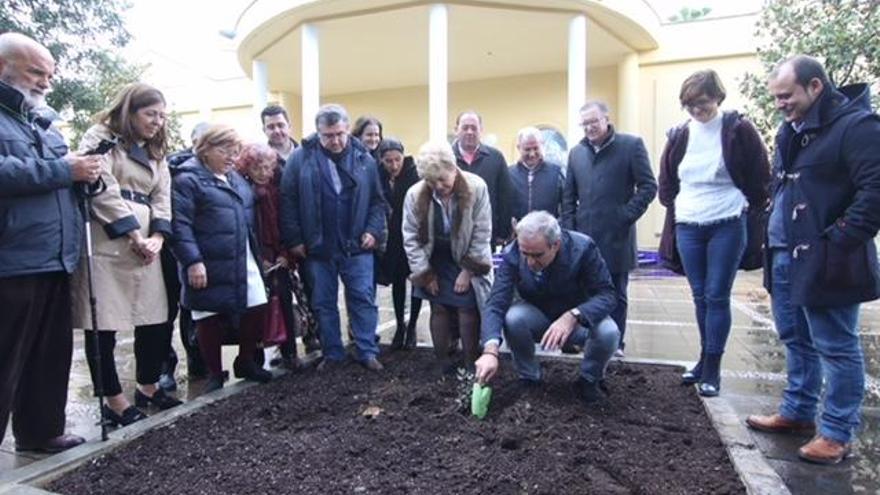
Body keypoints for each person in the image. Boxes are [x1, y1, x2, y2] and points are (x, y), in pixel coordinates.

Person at [745, 55, 880, 465]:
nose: (780, 104)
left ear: (815, 86)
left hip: (828, 258)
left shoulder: (858, 127)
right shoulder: (792, 130)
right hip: (785, 256)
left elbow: (874, 192)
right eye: (776, 98)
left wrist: (837, 241)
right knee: (794, 338)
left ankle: (837, 433)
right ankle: (797, 411)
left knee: (836, 347)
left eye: (786, 95)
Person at [0, 32, 101, 453]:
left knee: (50, 355)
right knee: (4, 359)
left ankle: (41, 431)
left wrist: (87, 179)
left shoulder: (42, 120)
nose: (45, 82)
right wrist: (64, 170)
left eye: (49, 75)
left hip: (56, 256)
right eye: (36, 72)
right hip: (11, 258)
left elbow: (62, 176)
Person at [70, 83, 182, 427]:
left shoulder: (155, 151)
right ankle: (113, 401)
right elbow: (101, 186)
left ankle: (147, 388)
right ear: (130, 111)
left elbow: (163, 194)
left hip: (149, 243)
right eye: (151, 114)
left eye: (162, 116)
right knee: (102, 323)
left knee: (156, 318)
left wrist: (159, 237)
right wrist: (134, 234)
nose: (157, 122)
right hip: (109, 239)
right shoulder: (100, 137)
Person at [657, 70, 770, 397]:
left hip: (727, 222)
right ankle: (704, 359)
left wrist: (745, 206)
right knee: (699, 295)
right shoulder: (680, 135)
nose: (696, 110)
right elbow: (667, 180)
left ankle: (713, 369)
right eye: (689, 105)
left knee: (717, 295)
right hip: (689, 223)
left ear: (718, 98)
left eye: (702, 103)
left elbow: (760, 176)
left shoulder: (739, 129)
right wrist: (678, 205)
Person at [280, 104, 387, 371]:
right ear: (318, 133)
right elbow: (288, 201)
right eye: (328, 135)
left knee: (362, 298)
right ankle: (332, 354)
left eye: (340, 133)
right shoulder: (300, 159)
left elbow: (377, 202)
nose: (335, 140)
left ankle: (366, 350)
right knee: (323, 303)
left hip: (357, 246)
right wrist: (295, 239)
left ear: (348, 129)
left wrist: (373, 231)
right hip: (318, 246)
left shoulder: (365, 159)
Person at [474, 211, 620, 404]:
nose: (530, 262)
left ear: (556, 244)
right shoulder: (513, 253)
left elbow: (608, 295)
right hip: (539, 315)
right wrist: (490, 351)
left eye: (537, 255)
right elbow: (496, 303)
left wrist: (574, 316)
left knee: (609, 332)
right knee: (513, 318)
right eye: (525, 254)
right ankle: (529, 378)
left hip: (579, 321)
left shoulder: (583, 249)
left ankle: (589, 379)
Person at [171, 124, 273, 392]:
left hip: (242, 256)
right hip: (206, 259)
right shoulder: (187, 179)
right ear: (205, 149)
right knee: (208, 315)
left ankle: (245, 361)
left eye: (235, 151)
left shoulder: (237, 179)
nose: (231, 156)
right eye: (224, 150)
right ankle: (214, 373)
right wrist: (192, 260)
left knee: (257, 304)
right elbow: (180, 224)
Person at [562, 101, 657, 358]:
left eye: (594, 121)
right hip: (583, 237)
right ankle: (586, 339)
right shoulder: (576, 153)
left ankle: (616, 343)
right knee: (583, 291)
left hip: (617, 236)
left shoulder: (631, 146)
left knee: (615, 291)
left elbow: (648, 187)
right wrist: (569, 232)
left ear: (606, 119)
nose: (589, 127)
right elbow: (568, 197)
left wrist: (624, 216)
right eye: (585, 123)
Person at [402, 141, 493, 372]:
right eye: (431, 182)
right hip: (434, 257)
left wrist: (468, 270)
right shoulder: (414, 194)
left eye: (442, 179)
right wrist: (425, 273)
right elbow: (410, 237)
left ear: (454, 168)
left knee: (467, 308)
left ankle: (471, 364)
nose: (438, 186)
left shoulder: (477, 187)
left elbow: (482, 232)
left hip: (465, 256)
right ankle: (442, 362)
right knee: (438, 307)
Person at [237, 142, 303, 369]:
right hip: (256, 259)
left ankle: (290, 354)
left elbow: (286, 225)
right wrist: (259, 259)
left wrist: (285, 254)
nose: (263, 173)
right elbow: (246, 230)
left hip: (279, 259)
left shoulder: (278, 192)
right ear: (247, 168)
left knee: (284, 303)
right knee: (255, 309)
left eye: (267, 168)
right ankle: (253, 359)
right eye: (257, 168)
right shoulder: (244, 193)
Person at [158, 121, 211, 391]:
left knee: (193, 312)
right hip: (170, 250)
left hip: (202, 250)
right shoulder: (174, 168)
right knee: (166, 311)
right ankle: (164, 368)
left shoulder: (219, 170)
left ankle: (197, 364)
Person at [376, 138, 423, 349]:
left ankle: (412, 325)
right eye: (388, 161)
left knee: (416, 282)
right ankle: (399, 327)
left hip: (413, 235)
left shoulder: (415, 174)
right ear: (382, 160)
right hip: (393, 237)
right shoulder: (379, 176)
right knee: (397, 284)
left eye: (397, 159)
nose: (394, 165)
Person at [452, 110, 513, 248]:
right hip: (452, 235)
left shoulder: (496, 158)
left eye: (474, 128)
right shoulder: (447, 159)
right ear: (456, 130)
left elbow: (504, 197)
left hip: (486, 234)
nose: (469, 132)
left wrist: (502, 232)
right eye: (465, 127)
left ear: (481, 130)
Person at [508, 126, 564, 221]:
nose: (532, 154)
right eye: (527, 149)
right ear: (519, 148)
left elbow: (566, 208)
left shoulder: (556, 173)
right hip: (517, 233)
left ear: (542, 145)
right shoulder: (509, 174)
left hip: (548, 234)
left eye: (536, 148)